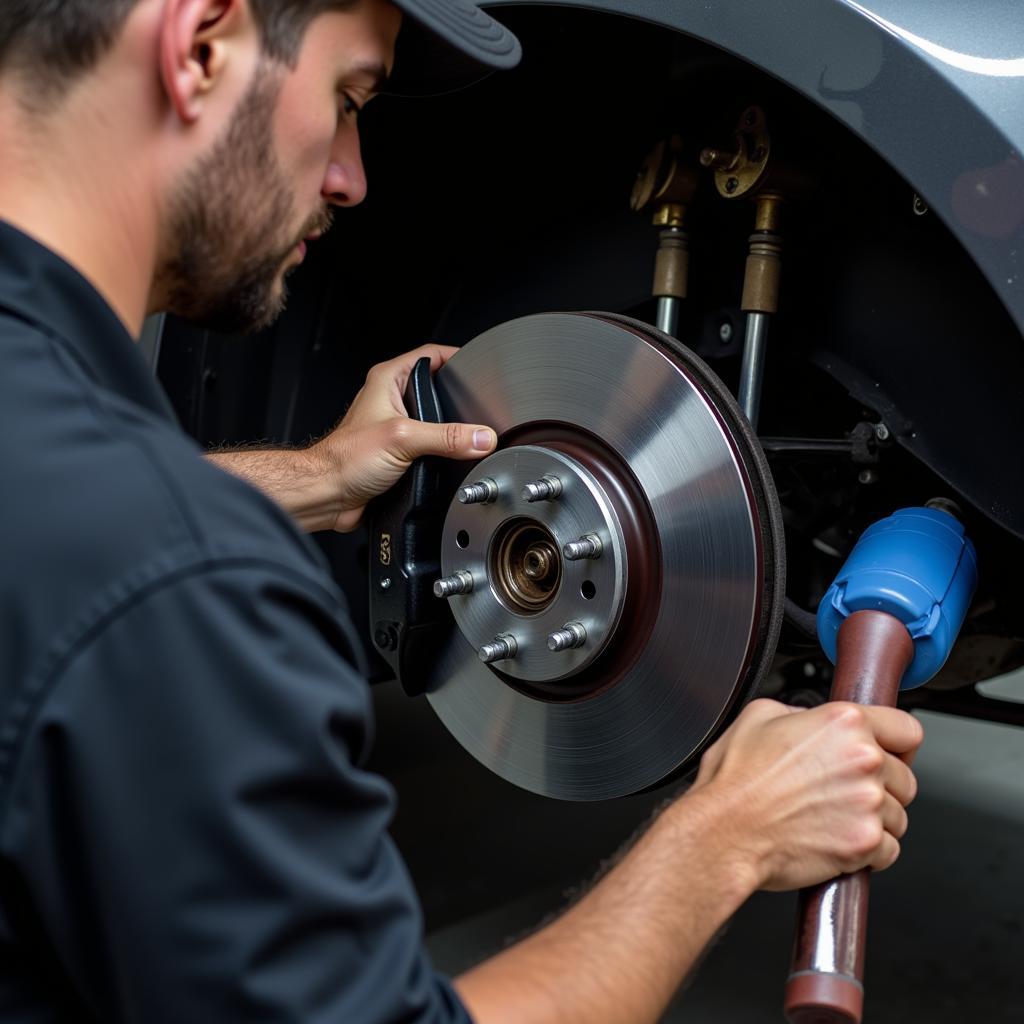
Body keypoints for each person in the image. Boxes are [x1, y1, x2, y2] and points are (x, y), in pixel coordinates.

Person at [0, 1, 923, 1021]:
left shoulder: (67, 487)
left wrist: (316, 475)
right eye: (348, 97)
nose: (353, 176)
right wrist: (729, 829)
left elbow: (69, 527)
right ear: (202, 43)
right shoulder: (187, 590)